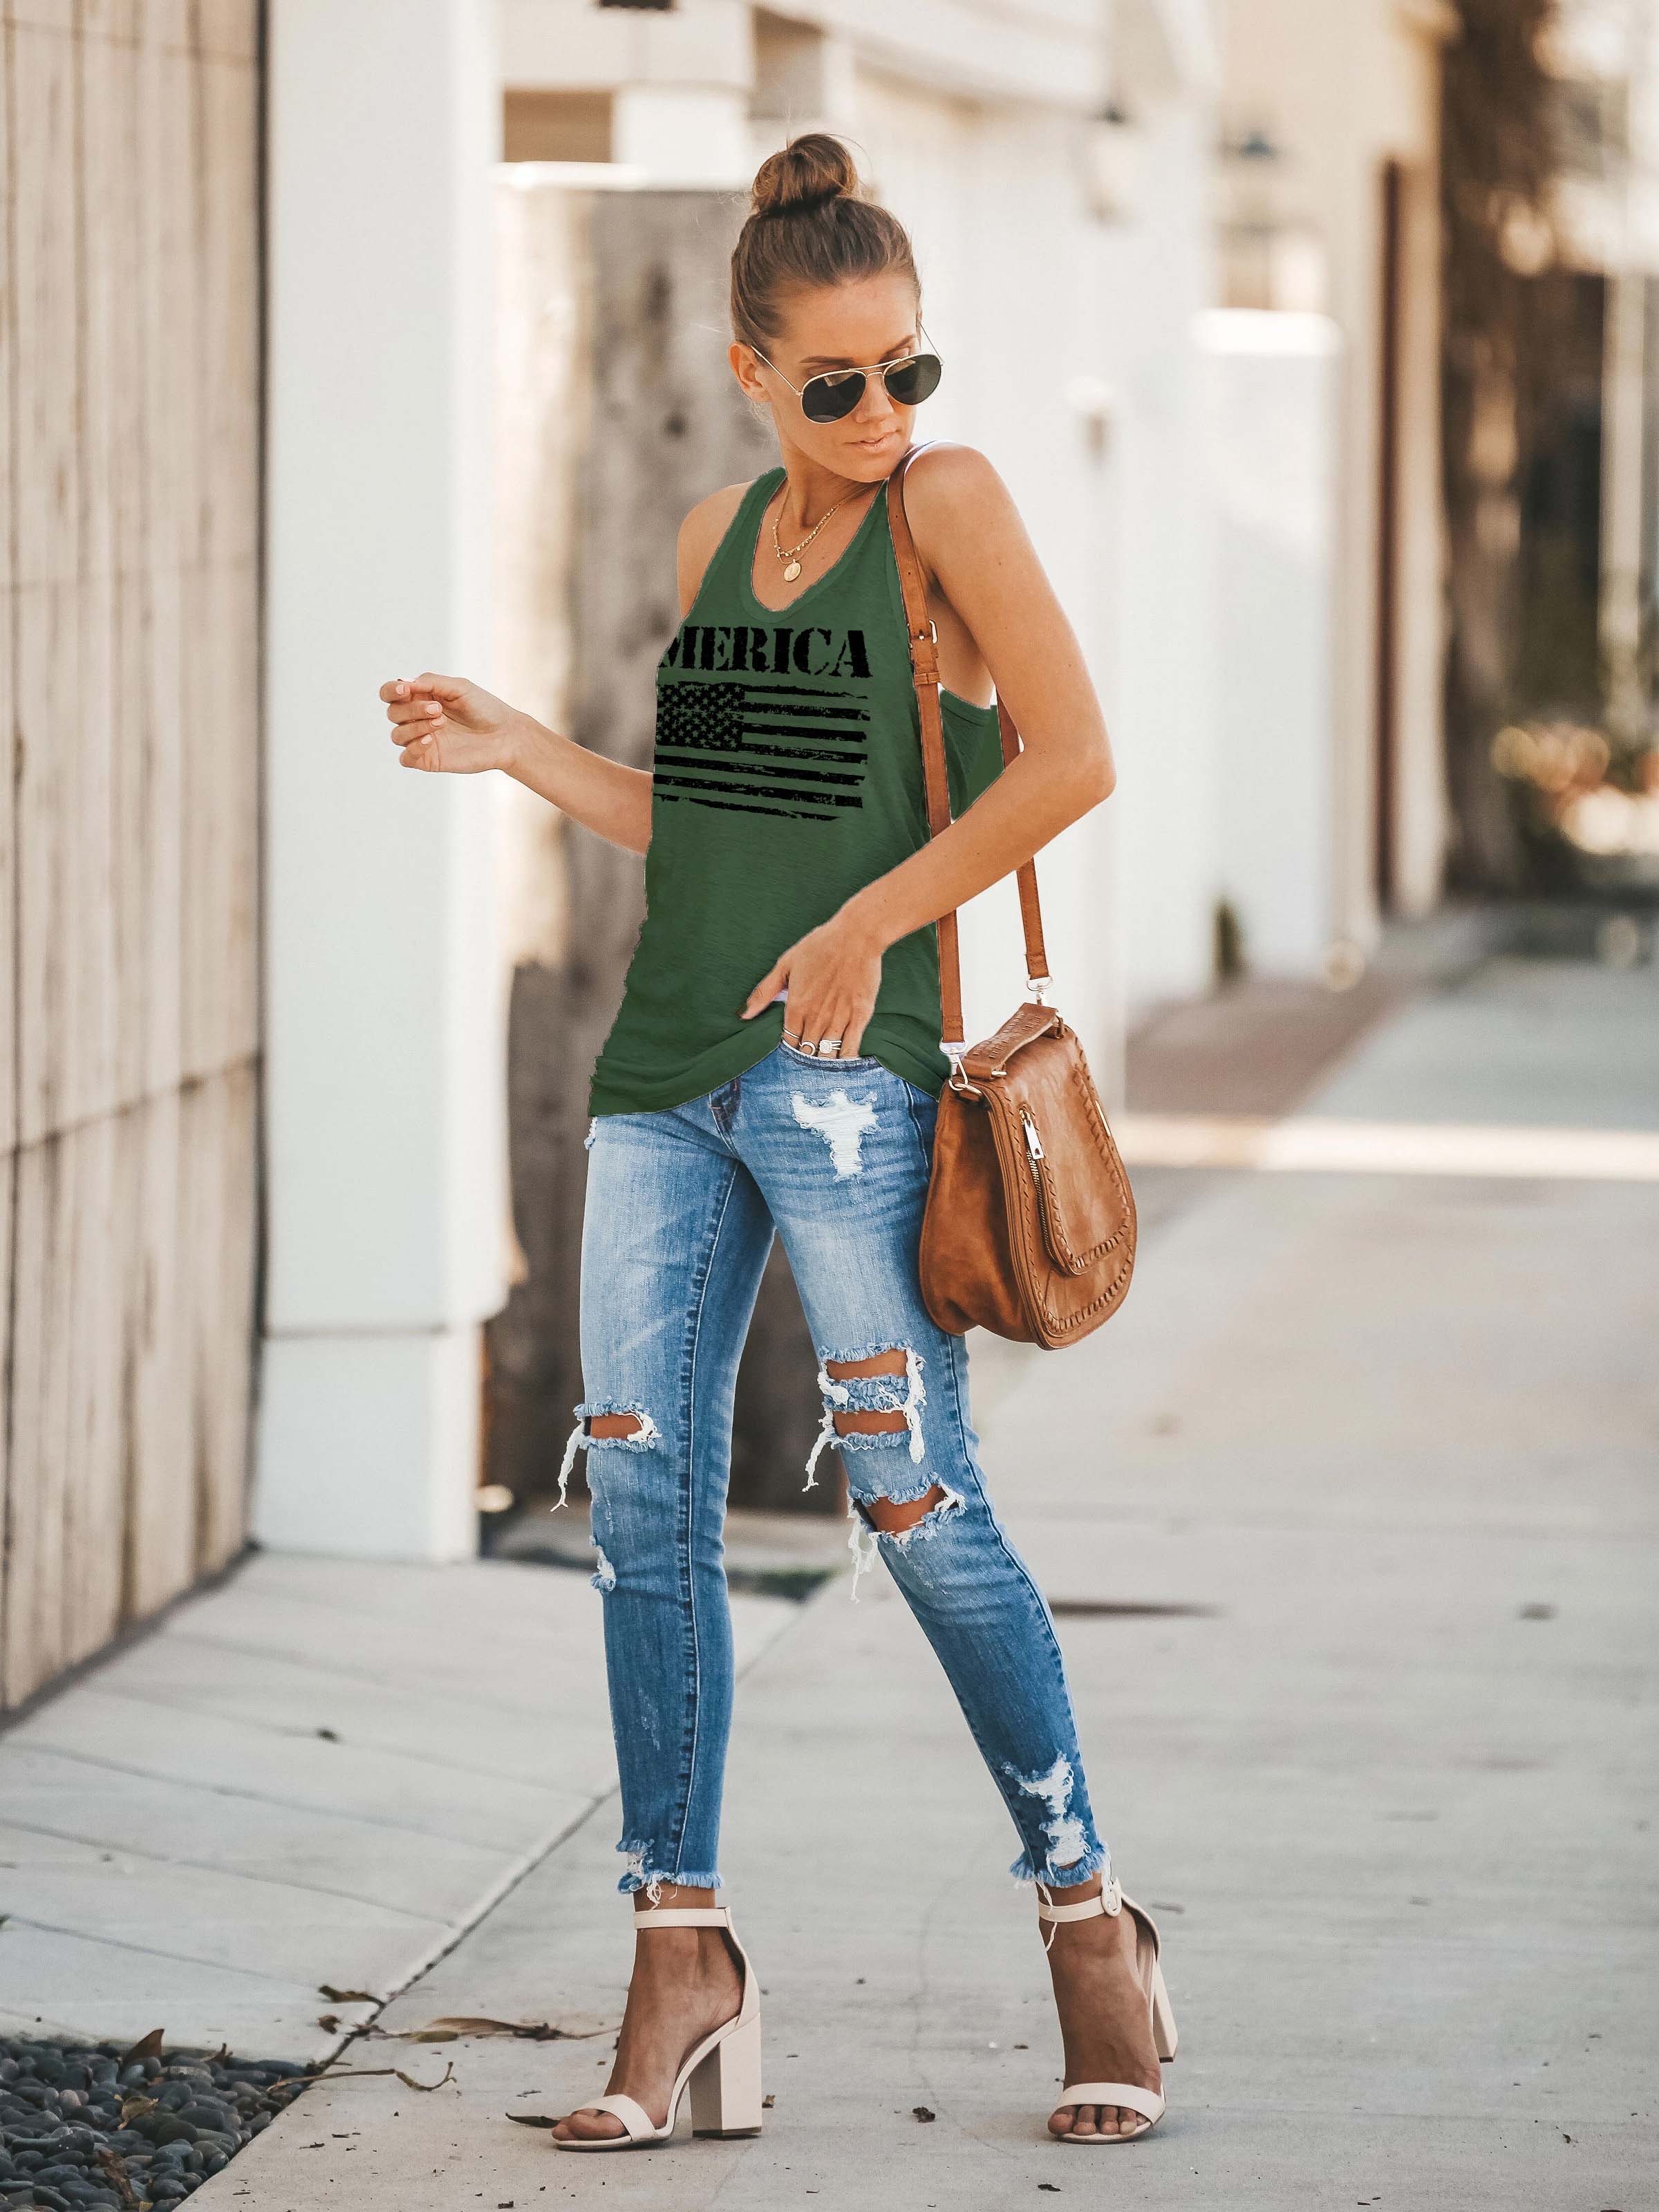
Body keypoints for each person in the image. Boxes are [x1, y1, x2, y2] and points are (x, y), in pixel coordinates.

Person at [379, 131, 1174, 2153]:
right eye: (838, 382)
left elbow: (1074, 759)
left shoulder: (949, 504)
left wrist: (867, 927)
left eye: (912, 366)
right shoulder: (714, 538)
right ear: (753, 372)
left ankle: (1089, 1917)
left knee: (911, 1496)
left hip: (850, 1077)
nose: (885, 409)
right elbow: (710, 820)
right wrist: (517, 749)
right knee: (642, 1506)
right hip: (667, 1070)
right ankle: (683, 1960)